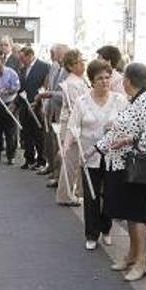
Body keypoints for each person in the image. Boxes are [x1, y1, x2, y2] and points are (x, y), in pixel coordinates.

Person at [95, 63, 146, 282]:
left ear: (128, 81)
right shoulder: (135, 101)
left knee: (138, 215)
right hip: (123, 166)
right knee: (131, 215)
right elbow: (117, 132)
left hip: (138, 167)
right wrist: (96, 149)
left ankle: (142, 262)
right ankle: (132, 255)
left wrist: (130, 140)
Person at [66, 59, 126, 248]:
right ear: (91, 80)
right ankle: (92, 234)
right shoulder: (82, 101)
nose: (104, 81)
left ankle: (106, 228)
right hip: (89, 155)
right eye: (100, 78)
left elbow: (127, 126)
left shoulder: (120, 100)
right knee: (91, 196)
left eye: (107, 77)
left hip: (113, 156)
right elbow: (72, 126)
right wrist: (66, 146)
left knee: (110, 194)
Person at [55, 50, 88, 206]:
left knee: (73, 162)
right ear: (70, 66)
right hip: (71, 126)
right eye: (79, 62)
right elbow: (77, 107)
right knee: (70, 163)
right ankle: (65, 195)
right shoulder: (73, 83)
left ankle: (69, 193)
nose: (82, 65)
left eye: (83, 61)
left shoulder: (79, 81)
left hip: (72, 126)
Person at [37, 45, 68, 182]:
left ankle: (58, 175)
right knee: (50, 141)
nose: (51, 56)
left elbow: (66, 94)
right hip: (51, 110)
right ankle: (51, 167)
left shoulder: (68, 72)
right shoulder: (55, 67)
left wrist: (49, 94)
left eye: (53, 53)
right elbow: (49, 85)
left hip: (62, 111)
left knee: (59, 144)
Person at [16, 46, 49, 169]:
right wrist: (17, 103)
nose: (21, 61)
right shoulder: (23, 69)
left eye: (23, 58)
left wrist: (38, 102)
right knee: (26, 133)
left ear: (30, 55)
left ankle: (41, 160)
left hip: (37, 106)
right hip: (25, 106)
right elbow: (22, 87)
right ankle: (28, 159)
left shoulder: (44, 67)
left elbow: (45, 87)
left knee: (38, 134)